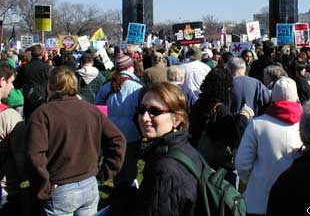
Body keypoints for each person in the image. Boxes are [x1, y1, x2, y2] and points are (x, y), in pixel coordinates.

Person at [27, 66, 126, 216]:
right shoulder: (90, 110)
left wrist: (104, 173)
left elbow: (34, 155)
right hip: (81, 185)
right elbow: (35, 155)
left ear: (50, 86)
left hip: (70, 186)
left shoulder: (42, 114)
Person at [127, 82, 205, 215]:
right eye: (141, 110)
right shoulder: (185, 147)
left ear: (176, 119)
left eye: (154, 111)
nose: (145, 118)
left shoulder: (164, 170)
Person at [235, 77, 303, 216]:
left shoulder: (257, 124)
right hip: (294, 201)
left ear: (272, 98)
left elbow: (242, 164)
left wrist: (256, 181)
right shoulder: (307, 125)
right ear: (296, 98)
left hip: (259, 202)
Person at [95, 53, 143, 189]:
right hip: (132, 132)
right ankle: (128, 186)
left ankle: (119, 186)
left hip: (111, 131)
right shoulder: (138, 88)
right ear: (130, 68)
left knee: (115, 160)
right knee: (130, 162)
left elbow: (99, 110)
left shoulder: (106, 87)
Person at [0, 62, 26, 214]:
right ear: (2, 81)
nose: (12, 87)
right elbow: (20, 155)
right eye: (10, 82)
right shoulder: (9, 117)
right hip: (5, 190)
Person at [14, 44, 52, 120]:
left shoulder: (25, 67)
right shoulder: (48, 68)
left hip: (29, 101)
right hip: (43, 100)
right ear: (43, 53)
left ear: (31, 53)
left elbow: (17, 84)